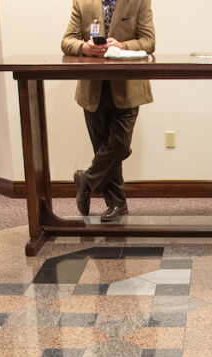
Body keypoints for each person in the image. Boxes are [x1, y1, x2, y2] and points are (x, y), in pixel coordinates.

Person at [61, 0, 155, 223]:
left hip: (128, 87)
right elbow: (67, 41)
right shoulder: (81, 3)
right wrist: (84, 47)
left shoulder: (139, 1)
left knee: (119, 145)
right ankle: (117, 204)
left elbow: (149, 42)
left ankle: (87, 180)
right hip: (92, 89)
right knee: (103, 148)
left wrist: (122, 46)